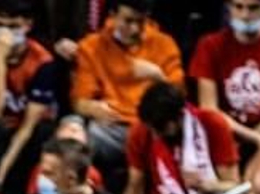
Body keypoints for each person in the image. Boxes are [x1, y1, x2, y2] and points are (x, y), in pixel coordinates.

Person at [69, 0, 185, 175]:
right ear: (112, 16)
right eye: (128, 21)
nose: (135, 29)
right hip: (113, 128)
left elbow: (180, 100)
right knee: (74, 130)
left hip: (153, 128)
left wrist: (159, 77)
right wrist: (92, 108)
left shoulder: (164, 44)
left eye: (141, 22)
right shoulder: (91, 47)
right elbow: (79, 101)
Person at [189, 0, 260, 150]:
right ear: (229, 9)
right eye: (239, 7)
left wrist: (254, 135)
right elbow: (209, 107)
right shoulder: (209, 45)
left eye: (253, 8)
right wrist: (248, 135)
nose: (245, 15)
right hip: (224, 133)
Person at [121, 81, 241, 194]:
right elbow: (136, 186)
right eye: (151, 129)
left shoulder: (212, 123)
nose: (155, 135)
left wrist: (208, 185)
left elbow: (233, 184)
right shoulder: (141, 131)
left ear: (179, 117)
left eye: (160, 128)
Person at [0, 0, 58, 194]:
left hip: (26, 134)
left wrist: (3, 169)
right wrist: (0, 58)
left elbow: (28, 127)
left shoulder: (43, 61)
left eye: (12, 27)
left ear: (27, 25)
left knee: (42, 131)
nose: (4, 35)